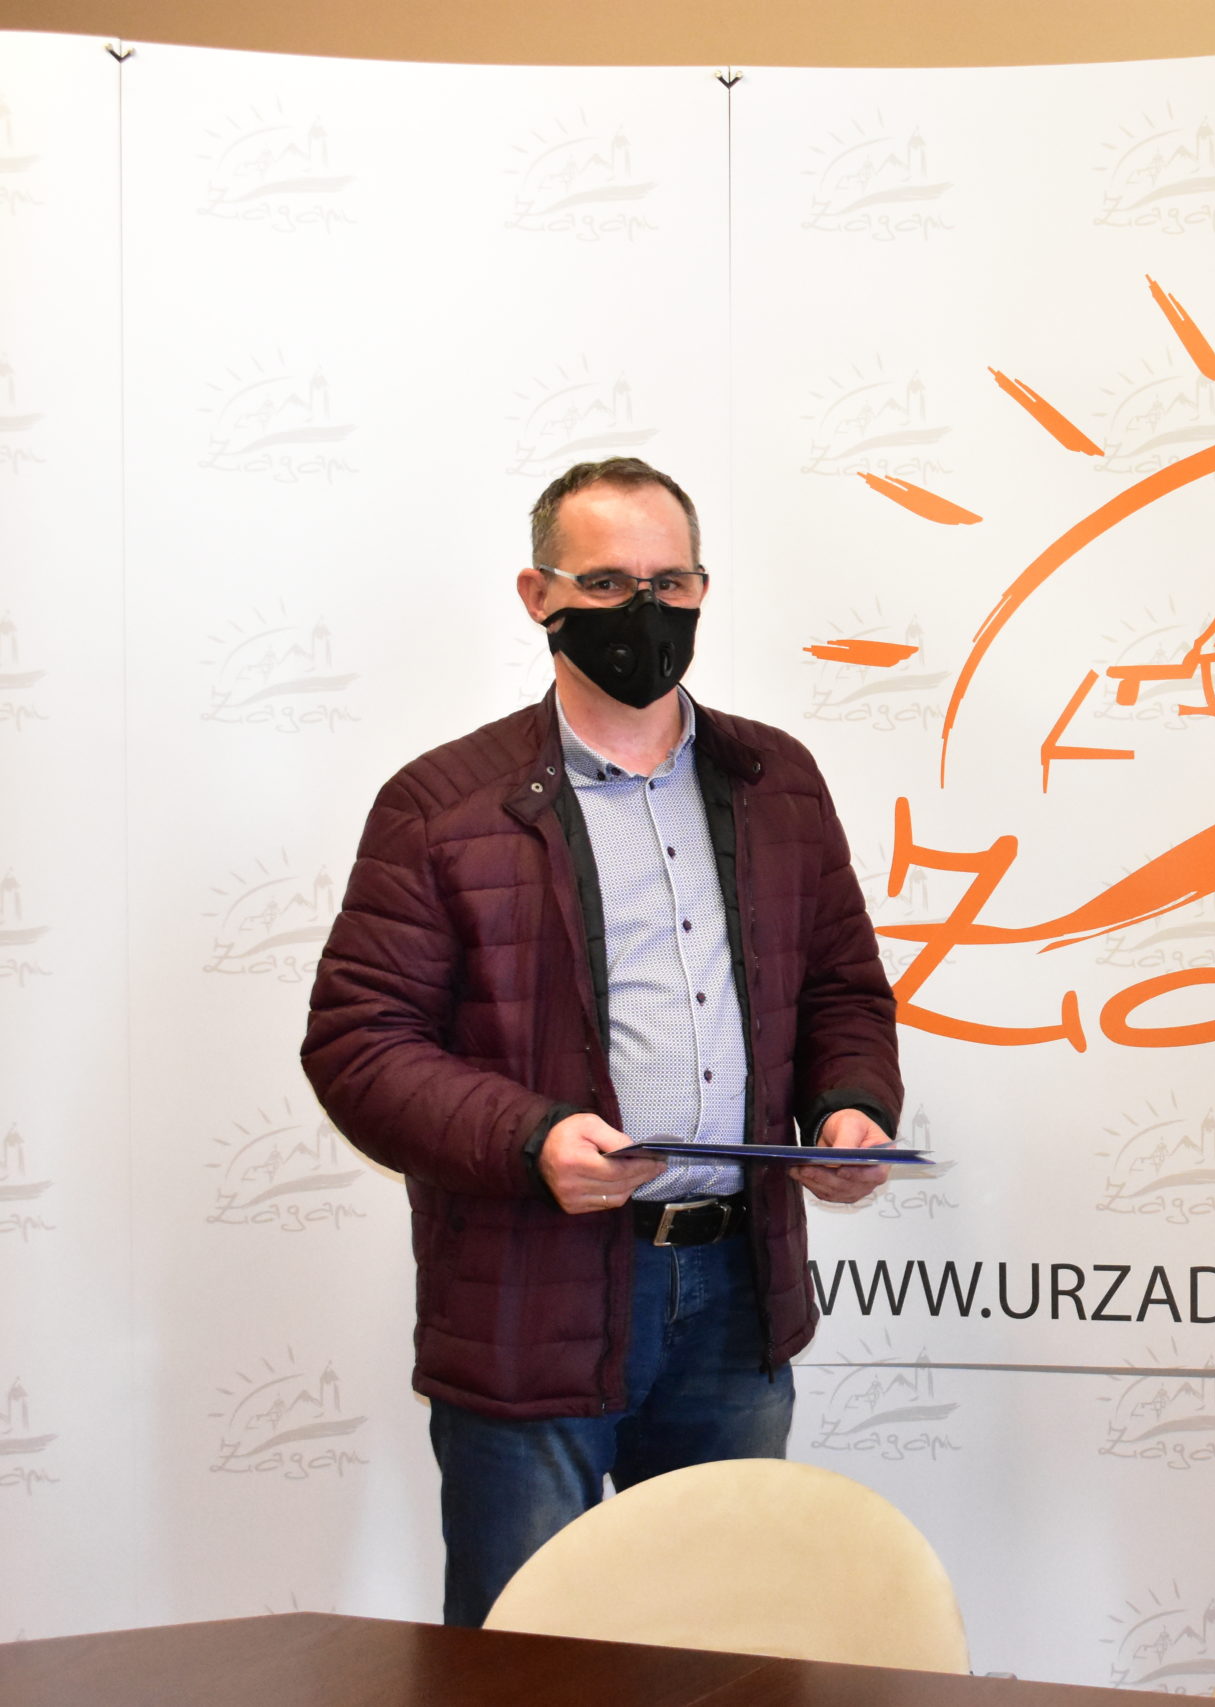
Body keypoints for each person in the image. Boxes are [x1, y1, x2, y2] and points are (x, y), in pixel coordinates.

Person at [302, 457, 903, 1626]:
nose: (645, 610)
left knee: (727, 1643)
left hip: (736, 1293)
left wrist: (849, 1106)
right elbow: (359, 1045)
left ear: (703, 589)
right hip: (531, 1297)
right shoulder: (440, 805)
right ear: (539, 596)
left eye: (670, 582)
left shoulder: (775, 780)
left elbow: (841, 987)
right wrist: (530, 1140)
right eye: (609, 583)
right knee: (527, 1657)